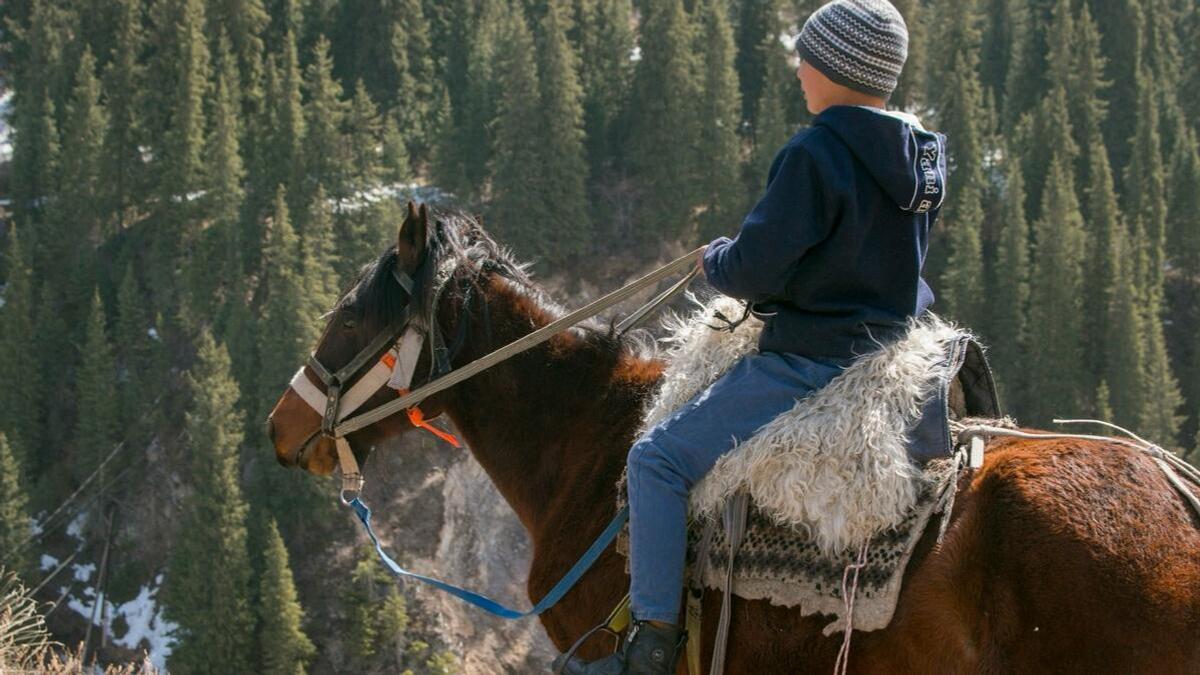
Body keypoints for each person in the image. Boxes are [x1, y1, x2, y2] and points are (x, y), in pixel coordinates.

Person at [561, 1, 947, 672]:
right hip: (890, 347)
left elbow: (754, 269)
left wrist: (716, 259)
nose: (799, 67)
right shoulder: (919, 153)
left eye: (808, 56)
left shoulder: (817, 152)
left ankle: (650, 646)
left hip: (812, 358)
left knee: (656, 459)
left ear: (836, 67)